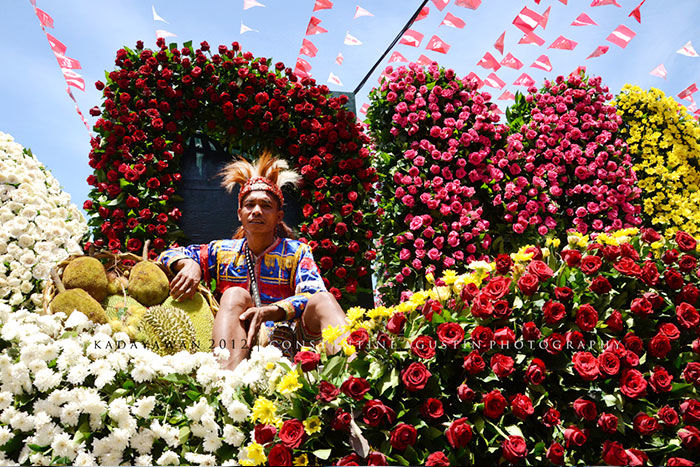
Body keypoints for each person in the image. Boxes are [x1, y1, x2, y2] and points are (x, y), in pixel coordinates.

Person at [157, 150, 348, 370]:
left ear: (279, 216)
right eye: (250, 205)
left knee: (324, 299)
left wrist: (271, 311)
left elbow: (311, 294)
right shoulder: (221, 251)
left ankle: (351, 382)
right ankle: (226, 386)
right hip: (238, 341)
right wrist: (189, 264)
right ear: (240, 214)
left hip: (293, 344)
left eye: (266, 205)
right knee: (234, 294)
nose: (256, 211)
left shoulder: (297, 252)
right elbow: (167, 254)